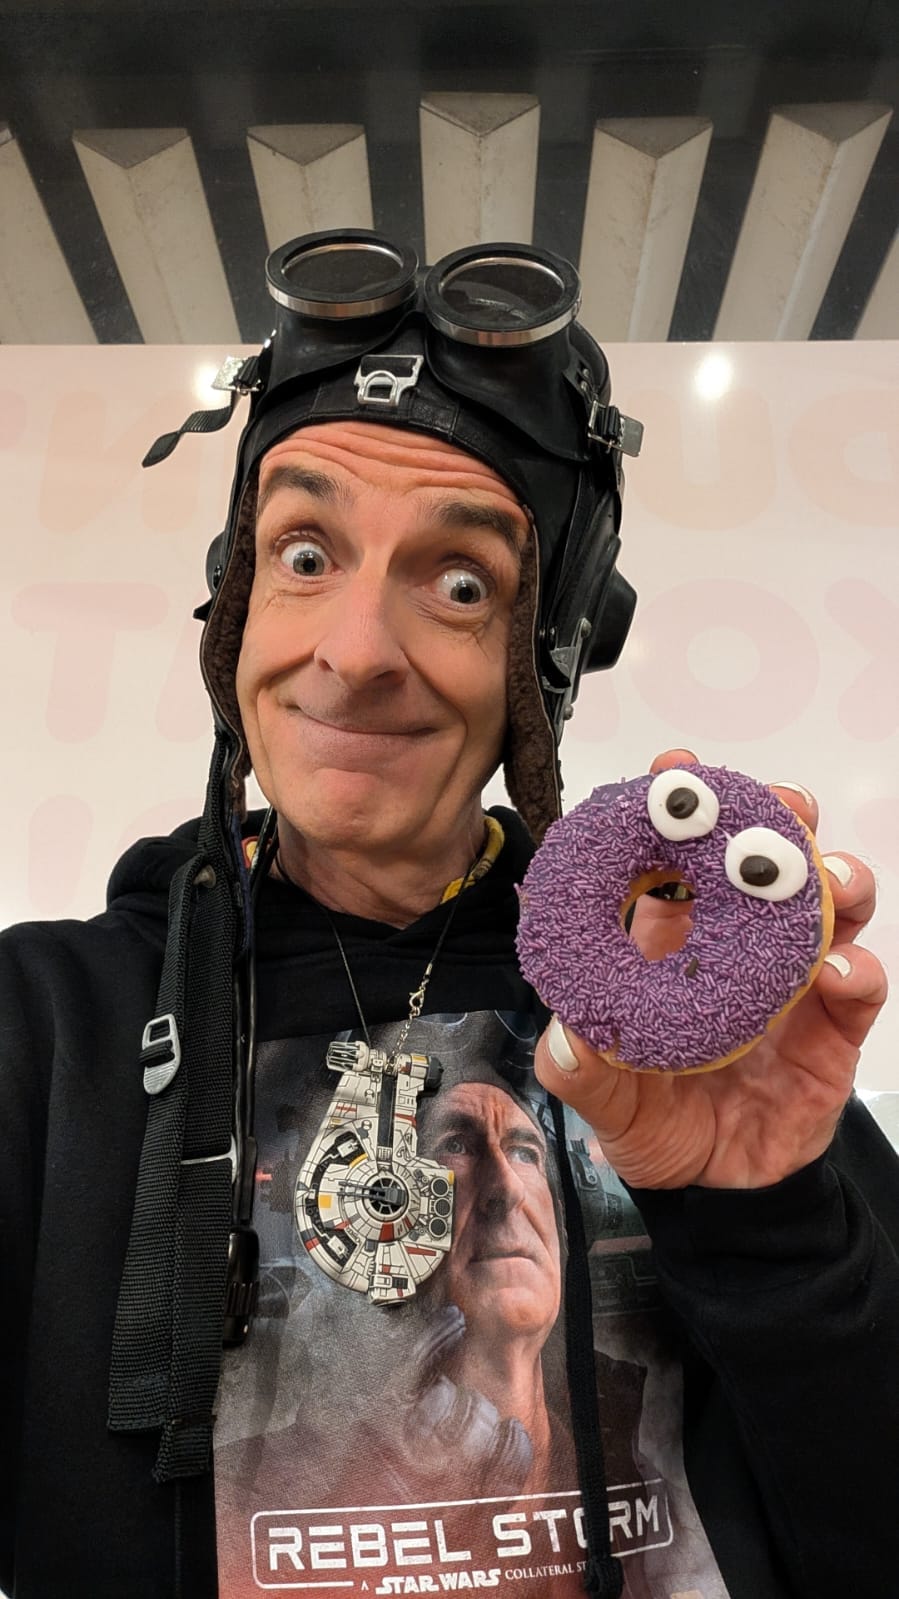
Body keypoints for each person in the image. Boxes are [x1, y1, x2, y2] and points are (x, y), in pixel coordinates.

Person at [1, 231, 897, 1599]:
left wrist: (768, 1223)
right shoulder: (43, 1033)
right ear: (234, 601)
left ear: (552, 652)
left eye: (461, 583)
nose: (356, 650)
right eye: (305, 554)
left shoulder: (688, 1014)